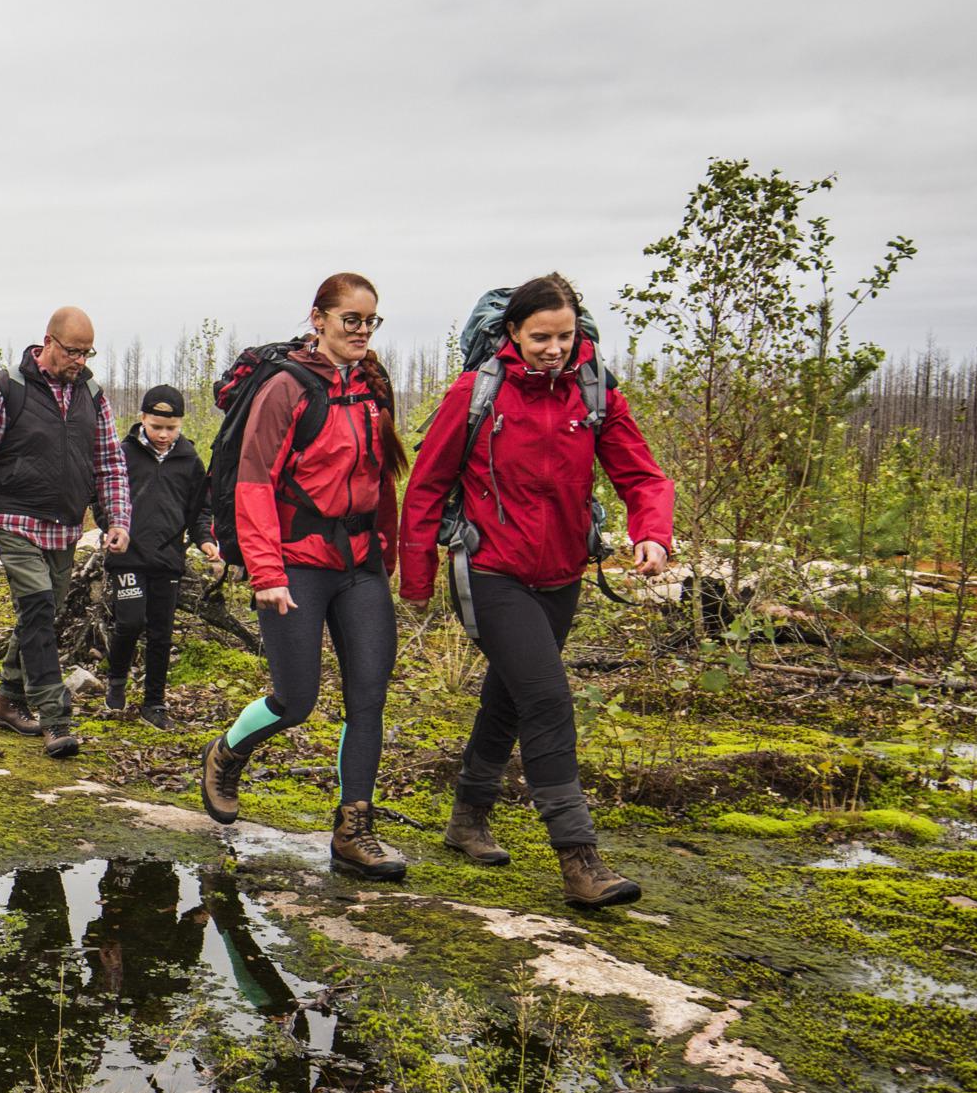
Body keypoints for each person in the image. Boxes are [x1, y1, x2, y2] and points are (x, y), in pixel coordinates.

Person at [397, 272, 674, 908]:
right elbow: (427, 485)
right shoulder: (478, 390)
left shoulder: (595, 390)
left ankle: (467, 817)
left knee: (513, 694)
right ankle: (580, 859)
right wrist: (417, 576)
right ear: (513, 334)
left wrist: (651, 533)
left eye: (565, 335)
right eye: (540, 336)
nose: (553, 348)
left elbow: (642, 475)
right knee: (548, 698)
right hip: (490, 569)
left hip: (561, 574)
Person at [198, 274, 409, 880]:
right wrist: (265, 571)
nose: (362, 331)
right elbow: (254, 481)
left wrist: (388, 557)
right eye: (351, 319)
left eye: (371, 321)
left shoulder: (372, 387)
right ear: (318, 319)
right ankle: (225, 752)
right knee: (296, 700)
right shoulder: (288, 388)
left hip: (359, 564)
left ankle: (353, 830)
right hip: (294, 564)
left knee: (368, 696)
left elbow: (382, 481)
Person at [0, 307, 132, 758]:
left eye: (88, 352)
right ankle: (56, 720)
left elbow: (109, 463)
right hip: (14, 518)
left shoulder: (92, 393)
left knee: (42, 615)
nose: (80, 360)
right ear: (48, 341)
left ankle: (7, 703)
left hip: (65, 525)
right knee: (35, 606)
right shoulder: (5, 388)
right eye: (73, 351)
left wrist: (118, 520)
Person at [104, 385, 221, 729]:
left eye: (171, 428)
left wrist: (204, 540)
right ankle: (117, 679)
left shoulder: (189, 461)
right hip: (127, 556)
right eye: (157, 427)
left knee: (161, 633)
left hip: (167, 559)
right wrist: (110, 525)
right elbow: (104, 496)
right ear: (142, 419)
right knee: (129, 622)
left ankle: (154, 703)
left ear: (181, 424)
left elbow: (200, 509)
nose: (164, 434)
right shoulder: (122, 454)